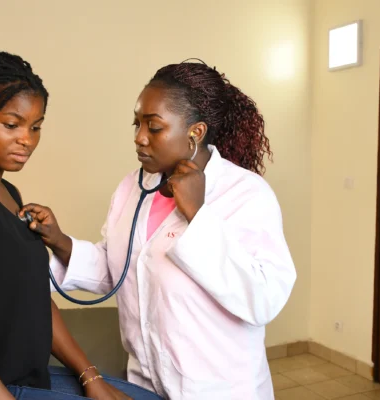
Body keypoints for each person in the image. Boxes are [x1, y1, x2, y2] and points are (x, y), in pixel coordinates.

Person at [20, 60, 297, 399]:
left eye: (154, 127)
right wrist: (60, 242)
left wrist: (197, 214)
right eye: (137, 124)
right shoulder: (132, 187)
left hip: (219, 390)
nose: (139, 138)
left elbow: (264, 300)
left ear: (195, 132)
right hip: (145, 384)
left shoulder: (245, 194)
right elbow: (119, 270)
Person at [0, 51, 162, 400]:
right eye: (11, 125)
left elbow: (36, 301)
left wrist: (91, 377)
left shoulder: (8, 193)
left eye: (35, 126)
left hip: (22, 378)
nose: (27, 139)